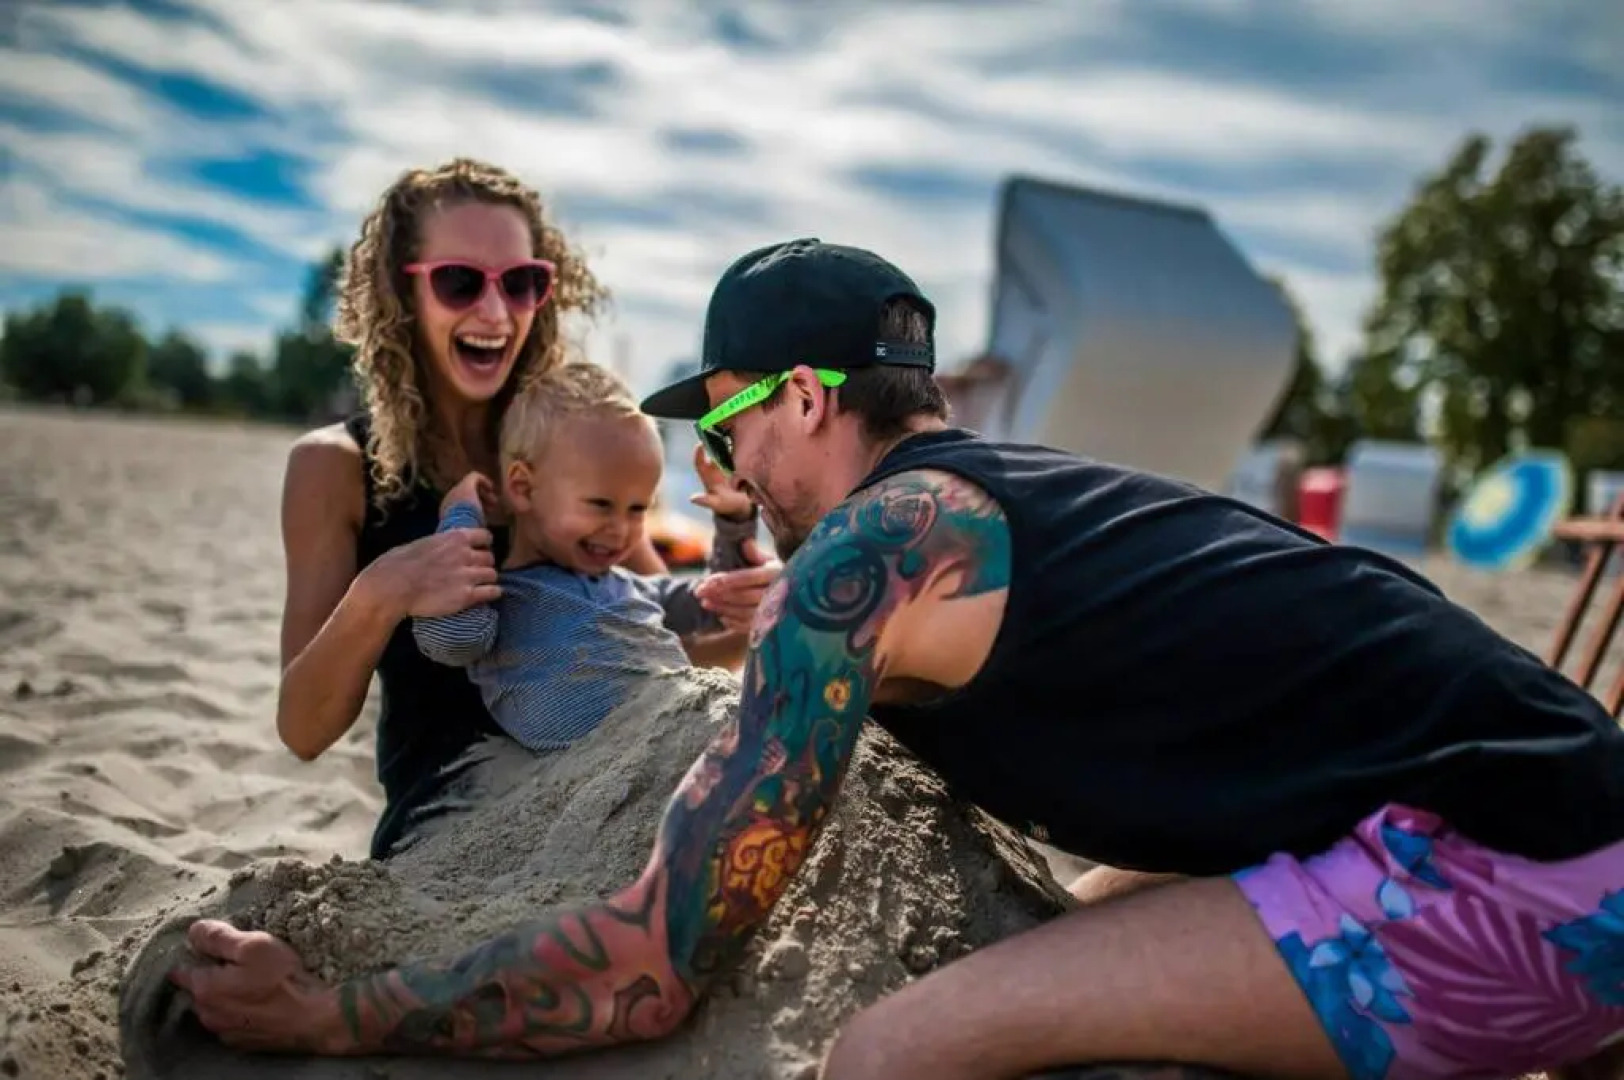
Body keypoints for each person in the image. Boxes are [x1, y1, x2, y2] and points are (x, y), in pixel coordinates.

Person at [173, 239, 1624, 1080]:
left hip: (1515, 876)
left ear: (803, 399)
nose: (722, 465)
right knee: (1052, 955)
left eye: (724, 423)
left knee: (887, 1054)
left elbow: (650, 969)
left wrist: (331, 1014)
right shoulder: (1004, 493)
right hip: (1530, 817)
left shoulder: (866, 563)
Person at [269, 157, 774, 860]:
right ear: (401, 293)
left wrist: (749, 604)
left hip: (617, 792)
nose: (495, 312)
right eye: (459, 281)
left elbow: (665, 640)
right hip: (453, 829)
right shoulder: (336, 467)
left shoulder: (578, 447)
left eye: (522, 283)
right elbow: (302, 730)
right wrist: (385, 590)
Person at [413, 360, 766, 751]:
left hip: (686, 731)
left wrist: (735, 520)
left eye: (638, 510)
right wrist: (461, 518)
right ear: (523, 488)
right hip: (611, 765)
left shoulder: (632, 589)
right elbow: (450, 640)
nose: (620, 529)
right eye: (601, 504)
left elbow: (722, 602)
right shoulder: (502, 601)